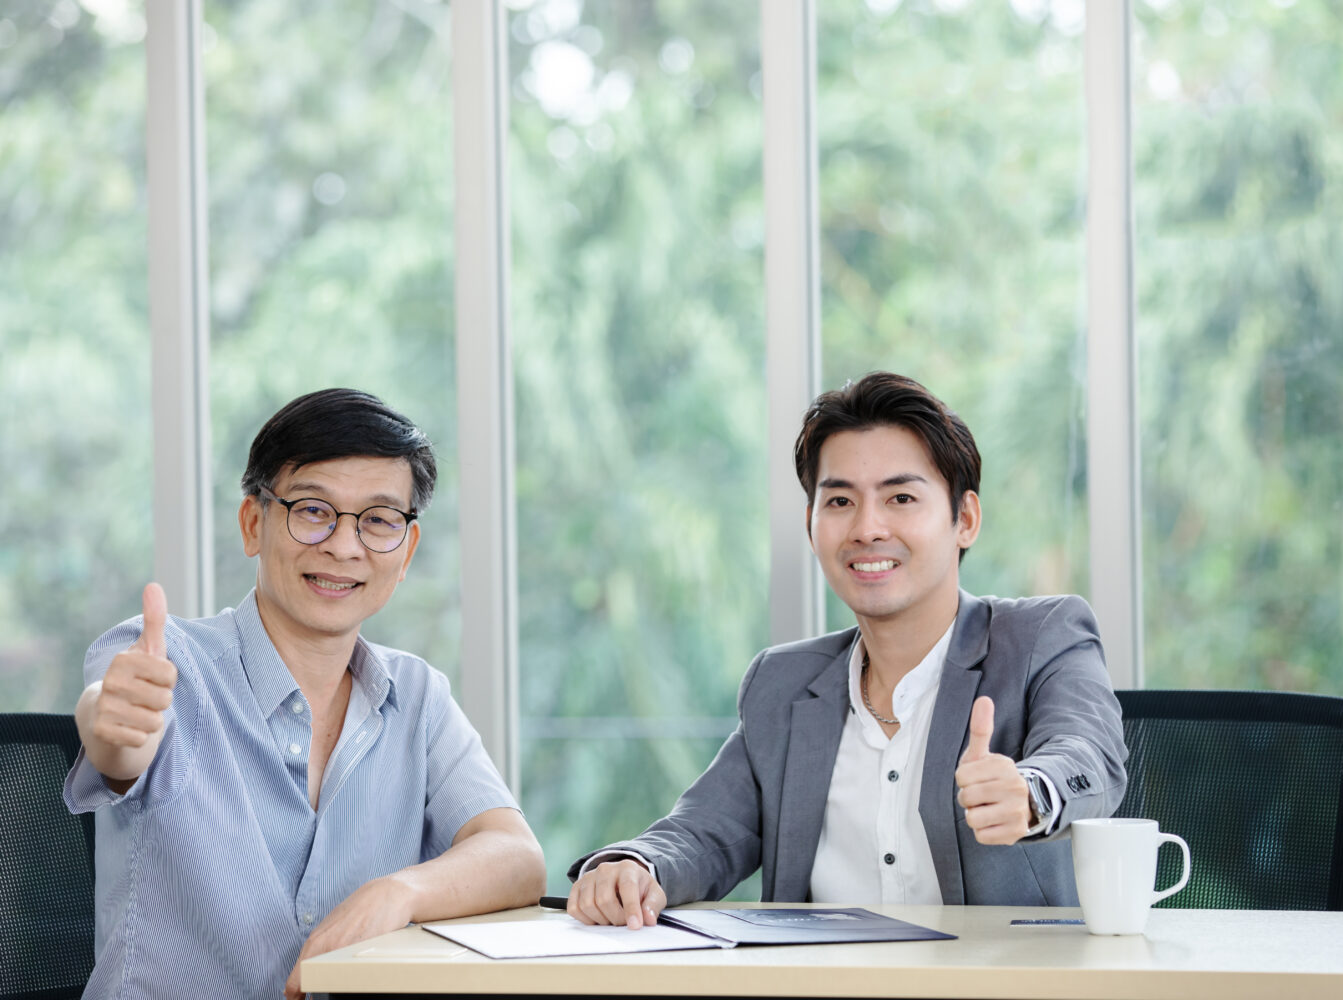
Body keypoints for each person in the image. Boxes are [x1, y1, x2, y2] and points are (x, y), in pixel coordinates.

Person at [567, 371, 1126, 928]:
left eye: (901, 497)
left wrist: (1032, 793)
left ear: (965, 519)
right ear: (812, 528)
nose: (867, 528)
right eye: (839, 501)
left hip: (1001, 989)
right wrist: (635, 866)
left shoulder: (1041, 637)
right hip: (821, 987)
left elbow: (1089, 756)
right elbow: (706, 829)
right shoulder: (782, 682)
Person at [67, 388, 545, 999]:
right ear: (252, 523)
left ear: (405, 553)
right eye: (314, 510)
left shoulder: (417, 697)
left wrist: (398, 893)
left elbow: (515, 856)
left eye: (377, 521)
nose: (345, 546)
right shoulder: (161, 660)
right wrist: (111, 726)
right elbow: (115, 737)